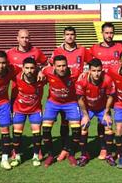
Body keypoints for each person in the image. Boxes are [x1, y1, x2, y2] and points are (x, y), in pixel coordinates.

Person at [49, 26, 92, 161]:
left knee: (79, 122)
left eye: (72, 34)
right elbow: (50, 67)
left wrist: (86, 72)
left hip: (78, 93)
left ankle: (77, 149)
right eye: (67, 34)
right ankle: (65, 148)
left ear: (75, 36)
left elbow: (92, 64)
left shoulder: (82, 50)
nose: (70, 37)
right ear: (63, 36)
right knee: (64, 122)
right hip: (62, 93)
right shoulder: (57, 51)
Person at [6, 29, 48, 159]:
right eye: (22, 37)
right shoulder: (10, 53)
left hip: (34, 93)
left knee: (36, 124)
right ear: (17, 38)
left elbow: (46, 64)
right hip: (16, 93)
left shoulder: (36, 51)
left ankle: (38, 150)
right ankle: (15, 149)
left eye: (27, 37)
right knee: (17, 124)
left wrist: (41, 70)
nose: (25, 40)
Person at [89, 22, 122, 159]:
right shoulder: (94, 49)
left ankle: (119, 148)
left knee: (120, 118)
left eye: (111, 33)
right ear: (102, 33)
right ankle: (103, 148)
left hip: (119, 88)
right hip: (102, 90)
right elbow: (88, 67)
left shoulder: (120, 47)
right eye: (107, 33)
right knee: (102, 119)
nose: (109, 35)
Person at [41, 55, 81, 167]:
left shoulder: (76, 72)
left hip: (70, 103)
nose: (62, 68)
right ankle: (50, 154)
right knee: (46, 129)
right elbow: (41, 71)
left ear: (67, 65)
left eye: (64, 65)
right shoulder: (47, 71)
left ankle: (71, 153)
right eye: (58, 66)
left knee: (76, 130)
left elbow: (85, 77)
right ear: (54, 66)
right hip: (53, 103)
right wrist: (40, 73)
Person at [75, 58, 116, 167]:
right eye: (94, 71)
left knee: (108, 126)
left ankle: (109, 155)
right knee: (83, 127)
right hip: (88, 108)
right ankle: (84, 155)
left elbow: (111, 97)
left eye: (98, 70)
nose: (96, 73)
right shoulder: (82, 81)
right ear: (89, 71)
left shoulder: (107, 79)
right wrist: (85, 115)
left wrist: (107, 113)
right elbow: (80, 99)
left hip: (102, 107)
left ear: (102, 70)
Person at [10, 57, 46, 167]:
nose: (29, 70)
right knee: (17, 134)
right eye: (27, 68)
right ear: (23, 68)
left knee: (36, 133)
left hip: (35, 110)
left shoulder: (41, 79)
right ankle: (17, 155)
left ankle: (35, 155)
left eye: (32, 68)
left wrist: (41, 71)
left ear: (35, 68)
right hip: (19, 109)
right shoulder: (16, 77)